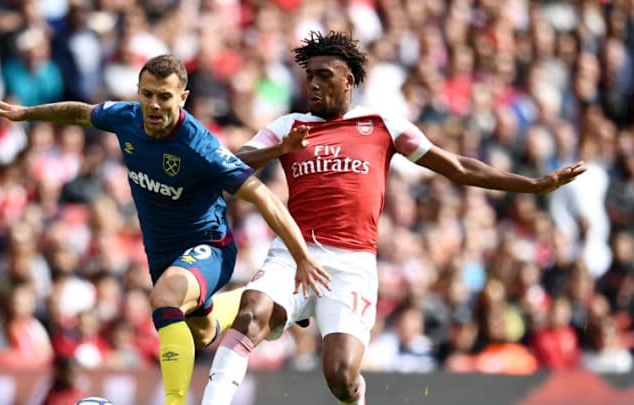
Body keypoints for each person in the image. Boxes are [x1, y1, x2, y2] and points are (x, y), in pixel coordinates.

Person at [202, 31, 586, 405]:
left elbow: (457, 167)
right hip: (294, 253)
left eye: (324, 76)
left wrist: (532, 185)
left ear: (348, 80)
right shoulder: (288, 127)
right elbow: (227, 167)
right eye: (309, 76)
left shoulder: (383, 126)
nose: (314, 85)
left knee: (340, 378)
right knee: (251, 313)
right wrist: (277, 150)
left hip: (351, 264)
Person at [0, 54, 329, 405]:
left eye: (164, 97)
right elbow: (80, 113)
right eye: (147, 94)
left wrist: (301, 257)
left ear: (182, 98)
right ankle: (274, 305)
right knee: (201, 333)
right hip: (164, 255)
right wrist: (28, 114)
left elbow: (264, 198)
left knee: (165, 299)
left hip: (209, 247)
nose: (154, 105)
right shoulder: (127, 118)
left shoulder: (198, 143)